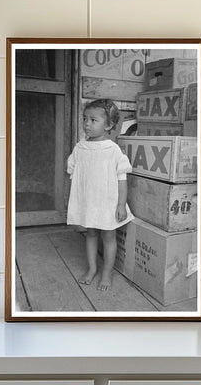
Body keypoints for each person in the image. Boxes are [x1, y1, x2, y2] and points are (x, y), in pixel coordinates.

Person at [67, 99, 134, 291]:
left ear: (109, 125)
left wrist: (121, 204)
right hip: (90, 202)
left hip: (108, 202)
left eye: (93, 120)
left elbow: (122, 179)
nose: (87, 124)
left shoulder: (113, 150)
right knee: (90, 233)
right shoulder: (80, 148)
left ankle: (106, 273)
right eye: (85, 119)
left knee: (109, 237)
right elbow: (74, 174)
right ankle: (92, 268)